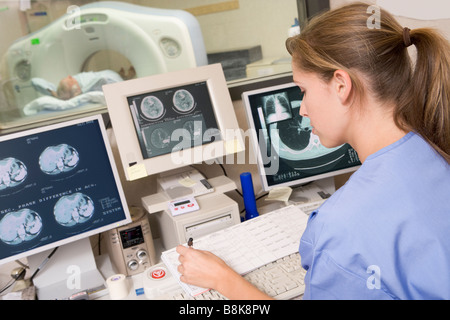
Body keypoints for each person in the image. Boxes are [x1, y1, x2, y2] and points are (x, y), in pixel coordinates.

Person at [176, 2, 450, 300]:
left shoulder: (341, 228)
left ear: (341, 85)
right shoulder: (435, 151)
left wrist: (223, 279)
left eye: (303, 90)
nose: (303, 109)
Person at [49, 69, 127, 100]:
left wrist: (81, 92)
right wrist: (50, 91)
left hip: (111, 78)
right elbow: (36, 82)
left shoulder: (81, 83)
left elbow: (103, 79)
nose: (69, 76)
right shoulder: (67, 90)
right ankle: (124, 75)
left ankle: (124, 75)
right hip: (112, 81)